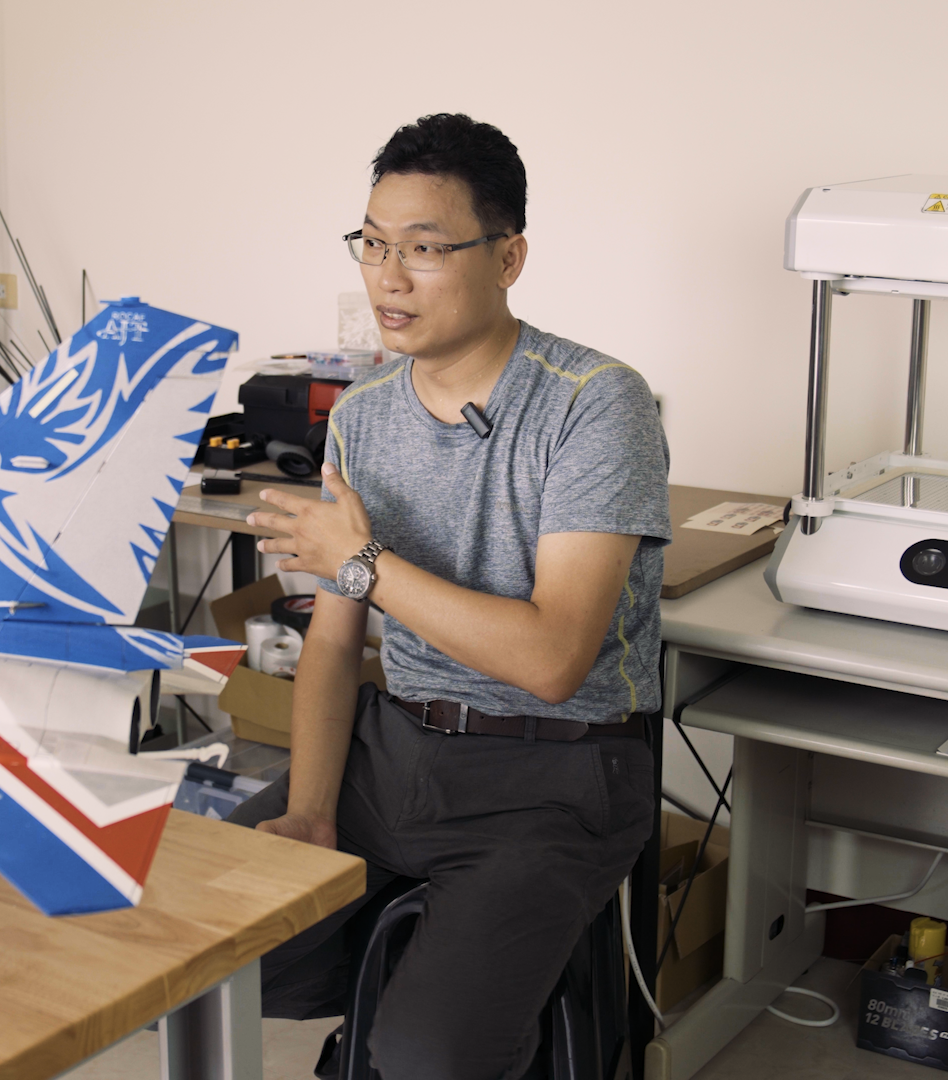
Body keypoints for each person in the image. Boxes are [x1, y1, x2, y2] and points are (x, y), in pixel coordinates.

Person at [231, 113, 672, 1079]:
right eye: (374, 244)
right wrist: (310, 810)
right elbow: (337, 645)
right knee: (187, 939)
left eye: (424, 249)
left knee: (428, 1058)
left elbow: (554, 660)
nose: (389, 278)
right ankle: (396, 992)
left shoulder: (597, 404)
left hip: (555, 781)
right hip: (396, 754)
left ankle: (424, 1018)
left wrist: (367, 561)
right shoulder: (364, 412)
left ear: (508, 256)